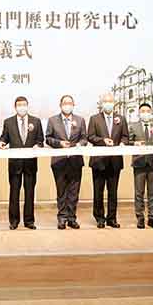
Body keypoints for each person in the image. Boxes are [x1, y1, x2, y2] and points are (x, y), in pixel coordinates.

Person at [0, 96, 44, 230]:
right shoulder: (8, 122)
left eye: (24, 105)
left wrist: (38, 145)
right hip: (15, 164)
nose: (22, 107)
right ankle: (14, 221)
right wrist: (1, 143)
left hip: (30, 163)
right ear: (15, 107)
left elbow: (40, 140)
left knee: (30, 192)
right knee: (14, 192)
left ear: (27, 106)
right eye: (19, 105)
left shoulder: (36, 121)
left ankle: (29, 221)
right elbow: (4, 138)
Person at [87, 92, 131, 228]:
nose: (108, 104)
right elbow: (90, 137)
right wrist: (103, 141)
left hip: (115, 161)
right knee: (98, 191)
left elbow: (125, 136)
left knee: (113, 192)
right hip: (99, 161)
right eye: (106, 102)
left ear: (114, 103)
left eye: (110, 102)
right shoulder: (94, 119)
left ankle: (112, 218)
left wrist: (123, 143)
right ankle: (99, 218)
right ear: (102, 104)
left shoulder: (121, 119)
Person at [45, 95, 87, 230]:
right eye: (65, 103)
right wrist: (59, 143)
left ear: (73, 105)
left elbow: (84, 138)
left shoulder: (80, 120)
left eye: (70, 103)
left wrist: (80, 144)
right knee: (61, 192)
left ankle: (72, 218)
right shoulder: (52, 120)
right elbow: (48, 138)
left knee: (74, 192)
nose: (67, 105)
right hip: (59, 161)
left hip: (75, 161)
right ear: (60, 105)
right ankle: (62, 218)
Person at [129, 103, 153, 229]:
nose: (145, 113)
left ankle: (152, 217)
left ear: (151, 113)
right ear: (139, 113)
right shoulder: (133, 127)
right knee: (139, 192)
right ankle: (140, 217)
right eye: (143, 111)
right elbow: (127, 142)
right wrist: (134, 143)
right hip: (139, 163)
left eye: (148, 111)